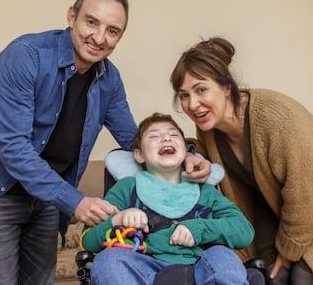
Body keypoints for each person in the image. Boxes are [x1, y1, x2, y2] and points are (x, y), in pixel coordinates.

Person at [0, 0, 210, 285]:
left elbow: (136, 137)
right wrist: (75, 201)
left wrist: (188, 158)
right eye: (91, 22)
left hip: (47, 199)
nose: (100, 38)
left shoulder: (109, 78)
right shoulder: (25, 57)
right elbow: (14, 148)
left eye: (113, 31)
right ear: (72, 16)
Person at [169, 37, 313, 285]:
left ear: (226, 86)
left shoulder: (274, 115)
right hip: (277, 207)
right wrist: (191, 154)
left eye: (201, 90)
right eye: (184, 95)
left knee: (301, 277)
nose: (192, 104)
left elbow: (308, 191)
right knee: (264, 275)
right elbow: (207, 154)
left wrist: (288, 252)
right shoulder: (209, 129)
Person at [80, 112, 255, 285]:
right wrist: (118, 219)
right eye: (154, 136)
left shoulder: (205, 191)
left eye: (173, 135)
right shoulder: (126, 188)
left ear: (186, 152)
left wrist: (199, 228)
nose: (166, 139)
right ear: (139, 155)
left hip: (200, 266)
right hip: (148, 268)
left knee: (222, 256)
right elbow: (87, 240)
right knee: (108, 260)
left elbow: (244, 231)